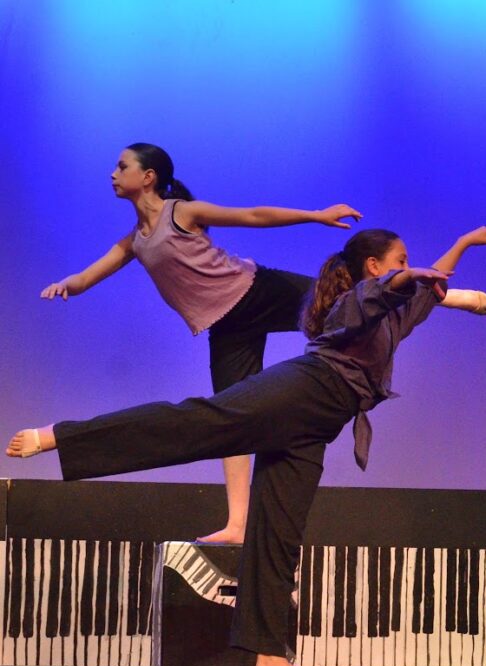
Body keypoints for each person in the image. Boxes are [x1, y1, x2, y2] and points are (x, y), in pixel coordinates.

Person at [10, 220, 486, 666]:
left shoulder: (398, 316)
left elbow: (429, 286)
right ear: (374, 267)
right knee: (197, 424)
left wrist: (462, 245)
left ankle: (267, 660)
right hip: (303, 391)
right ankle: (62, 435)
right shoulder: (355, 300)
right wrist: (406, 277)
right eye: (399, 259)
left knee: (279, 536)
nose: (406, 266)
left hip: (319, 423)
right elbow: (392, 288)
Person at [39, 142, 361, 545]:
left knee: (343, 304)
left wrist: (315, 216)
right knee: (233, 418)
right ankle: (239, 525)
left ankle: (437, 295)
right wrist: (65, 284)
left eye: (122, 166)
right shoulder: (135, 241)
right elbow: (87, 278)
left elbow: (252, 215)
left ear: (148, 177)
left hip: (256, 290)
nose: (113, 173)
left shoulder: (181, 213)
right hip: (226, 327)